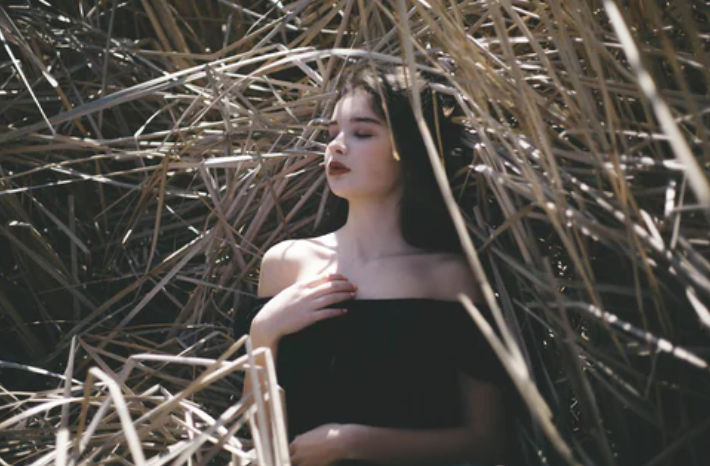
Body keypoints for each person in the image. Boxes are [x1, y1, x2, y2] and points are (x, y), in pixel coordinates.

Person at [235, 63, 517, 466]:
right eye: (332, 134)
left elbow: (489, 442)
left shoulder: (447, 277)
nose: (336, 147)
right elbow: (255, 439)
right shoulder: (285, 263)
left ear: (411, 150)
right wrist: (264, 332)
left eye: (362, 133)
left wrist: (353, 443)